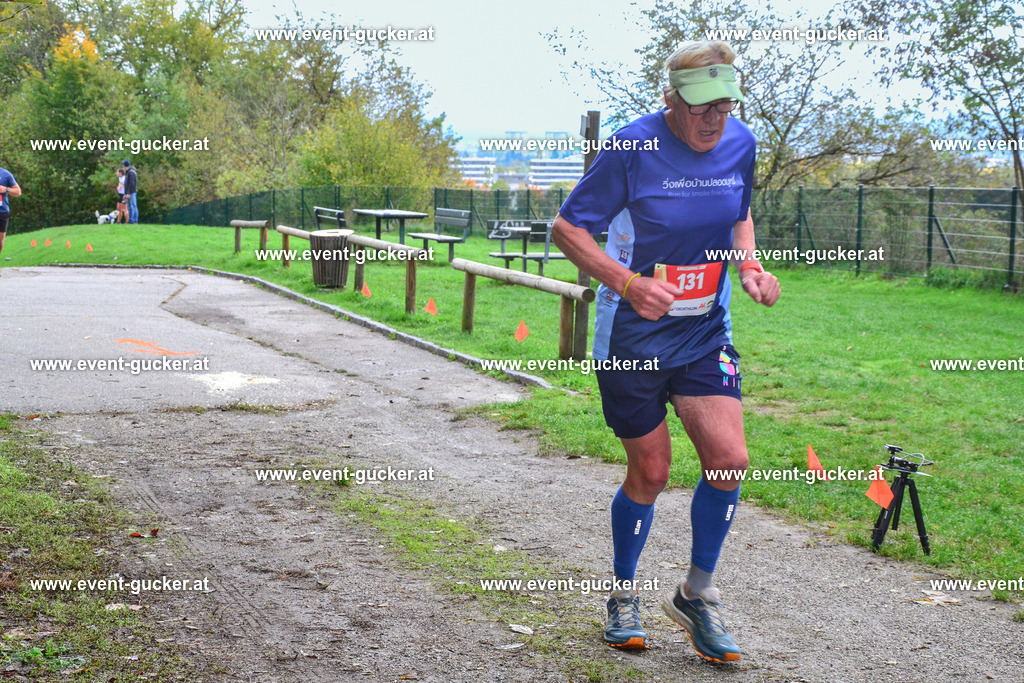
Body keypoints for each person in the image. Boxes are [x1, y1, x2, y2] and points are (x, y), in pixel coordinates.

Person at [552, 40, 780, 663]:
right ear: (671, 99)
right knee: (652, 472)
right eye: (701, 106)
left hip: (704, 328)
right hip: (632, 331)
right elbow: (567, 228)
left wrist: (750, 266)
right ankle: (623, 593)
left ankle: (696, 595)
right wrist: (627, 283)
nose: (715, 120)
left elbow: (741, 213)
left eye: (725, 105)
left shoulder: (741, 143)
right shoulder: (632, 147)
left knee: (730, 460)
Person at [0, 164, 22, 260]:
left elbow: (18, 192)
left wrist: (6, 189)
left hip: (2, 211)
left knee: (0, 241)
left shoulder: (5, 174)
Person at [122, 159, 138, 223]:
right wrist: (125, 194)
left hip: (132, 192)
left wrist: (128, 193)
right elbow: (127, 184)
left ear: (125, 166)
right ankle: (130, 220)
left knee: (133, 206)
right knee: (129, 207)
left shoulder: (131, 173)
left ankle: (135, 220)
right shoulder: (128, 172)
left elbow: (132, 184)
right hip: (128, 192)